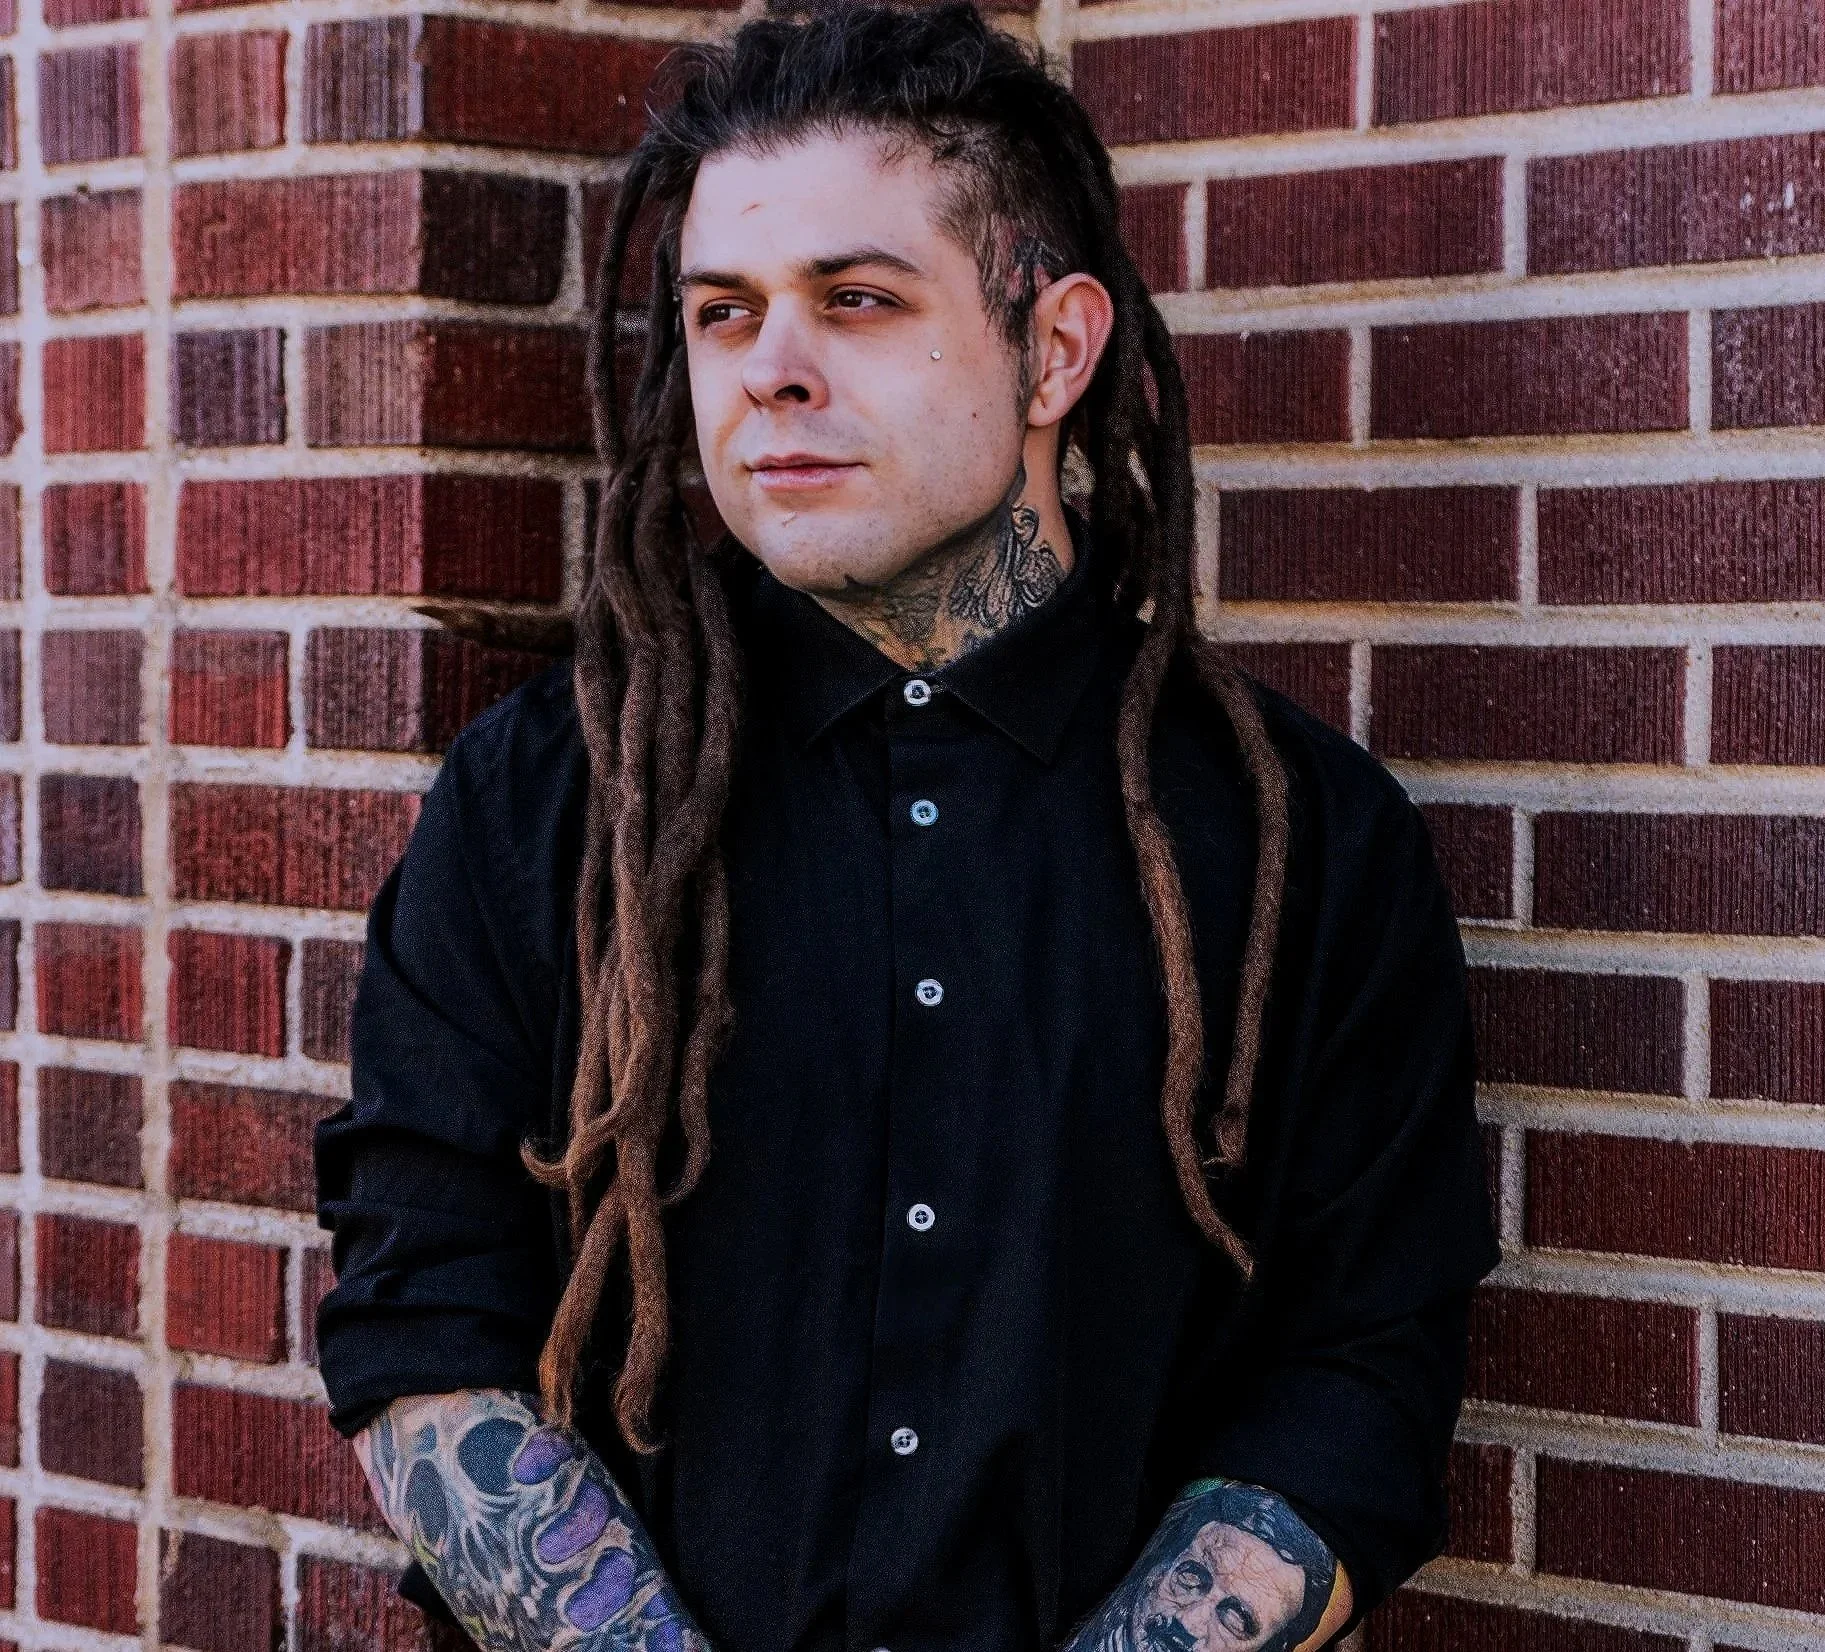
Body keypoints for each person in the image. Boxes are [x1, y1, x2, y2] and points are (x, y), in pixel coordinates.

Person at [313, 6, 1500, 1651]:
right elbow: (421, 1320)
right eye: (725, 314)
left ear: (1058, 349)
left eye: (856, 301)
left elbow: (1361, 1373)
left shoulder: (1300, 842)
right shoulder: (545, 804)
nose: (771, 367)